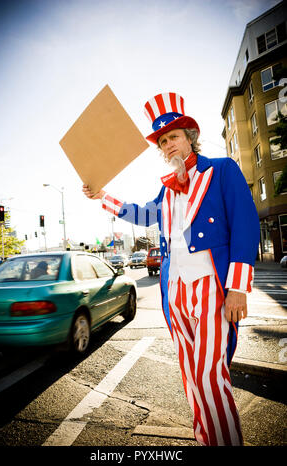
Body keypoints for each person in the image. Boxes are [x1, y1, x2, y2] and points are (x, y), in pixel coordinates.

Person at [82, 92, 260, 446]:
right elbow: (138, 212)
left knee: (211, 375)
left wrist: (238, 287)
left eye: (174, 136)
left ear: (190, 137)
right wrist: (102, 195)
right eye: (163, 141)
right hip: (175, 292)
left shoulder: (221, 170)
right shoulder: (164, 193)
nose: (169, 145)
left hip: (212, 286)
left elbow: (245, 223)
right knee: (192, 376)